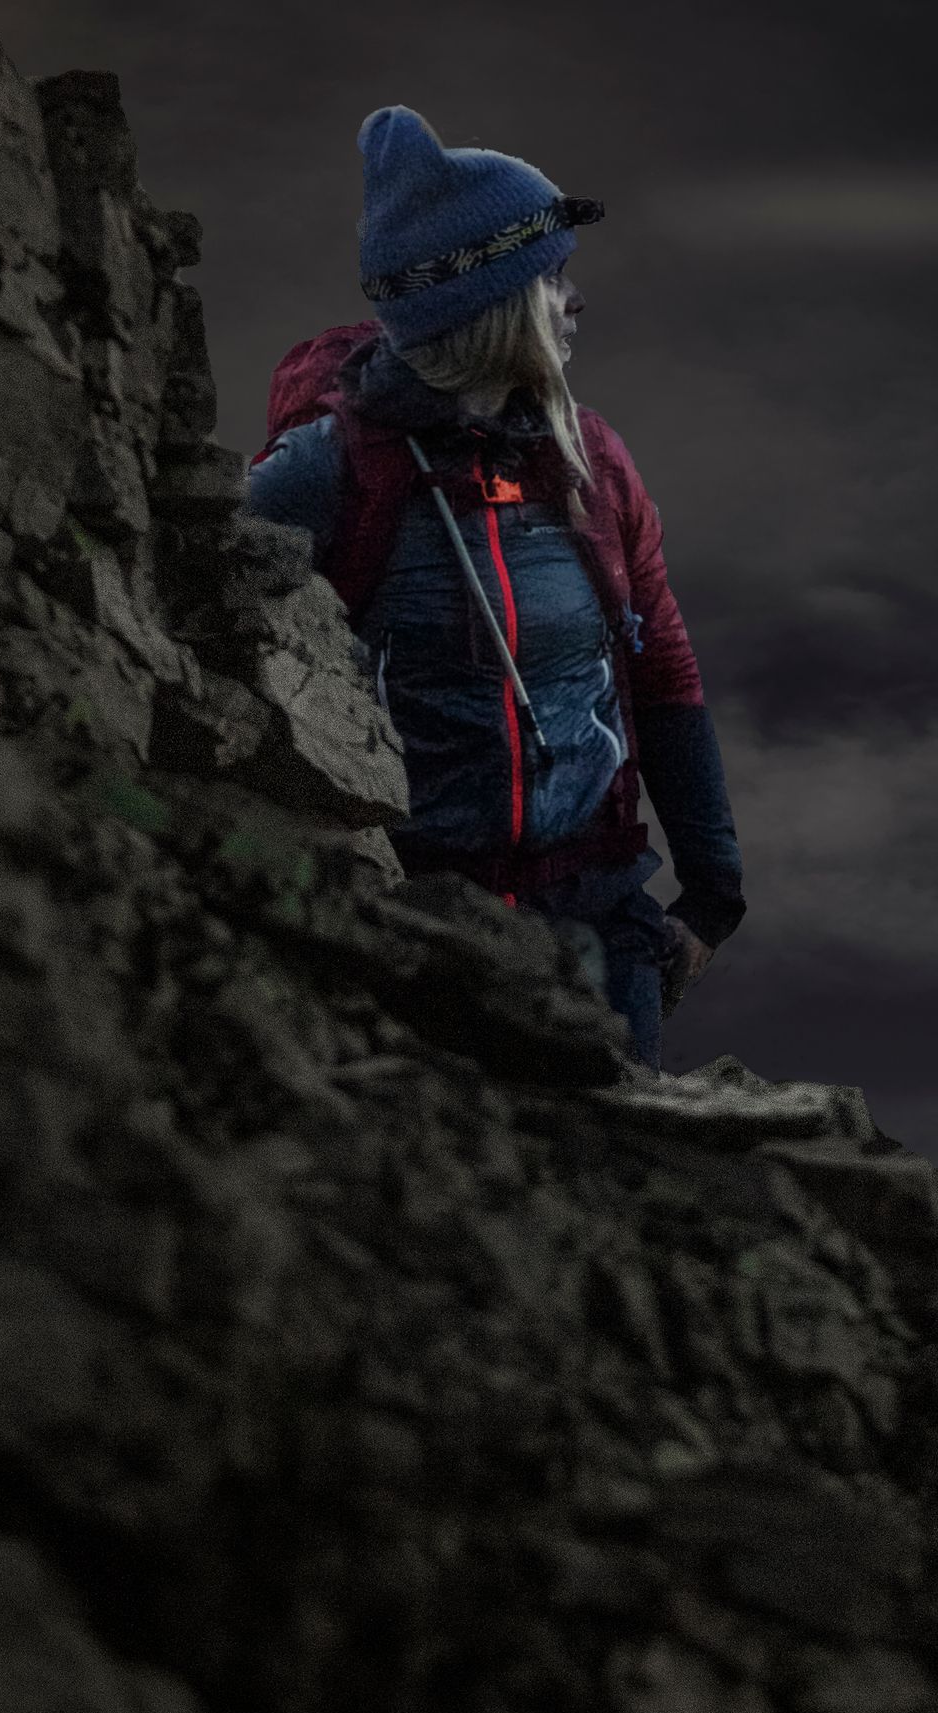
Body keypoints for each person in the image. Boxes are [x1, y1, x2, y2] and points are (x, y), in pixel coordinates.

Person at [245, 107, 744, 1069]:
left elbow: (662, 669)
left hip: (598, 926)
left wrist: (712, 898)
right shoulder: (323, 475)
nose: (575, 300)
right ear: (492, 304)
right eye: (553, 277)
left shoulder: (591, 461)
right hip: (416, 932)